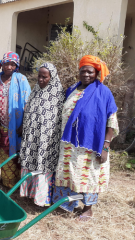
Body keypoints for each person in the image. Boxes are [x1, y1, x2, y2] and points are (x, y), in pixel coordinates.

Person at [52, 55, 118, 221]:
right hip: (69, 144)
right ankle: (69, 204)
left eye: (90, 72)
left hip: (90, 145)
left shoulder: (104, 92)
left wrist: (106, 146)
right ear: (79, 72)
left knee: (88, 176)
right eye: (83, 71)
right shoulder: (72, 89)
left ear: (96, 73)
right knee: (70, 174)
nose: (86, 75)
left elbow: (112, 121)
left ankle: (87, 209)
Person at [19, 63, 65, 206]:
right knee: (29, 162)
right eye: (39, 76)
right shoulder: (36, 90)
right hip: (31, 137)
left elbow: (57, 121)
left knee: (43, 165)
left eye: (44, 77)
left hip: (47, 140)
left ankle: (41, 198)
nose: (40, 79)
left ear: (52, 77)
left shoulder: (58, 94)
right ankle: (28, 193)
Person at [0, 52, 31, 188]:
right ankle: (7, 181)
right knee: (4, 153)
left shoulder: (21, 79)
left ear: (16, 65)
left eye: (12, 64)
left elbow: (28, 102)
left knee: (17, 153)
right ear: (2, 64)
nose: (9, 67)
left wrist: (24, 124)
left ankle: (19, 184)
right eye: (6, 63)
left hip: (17, 124)